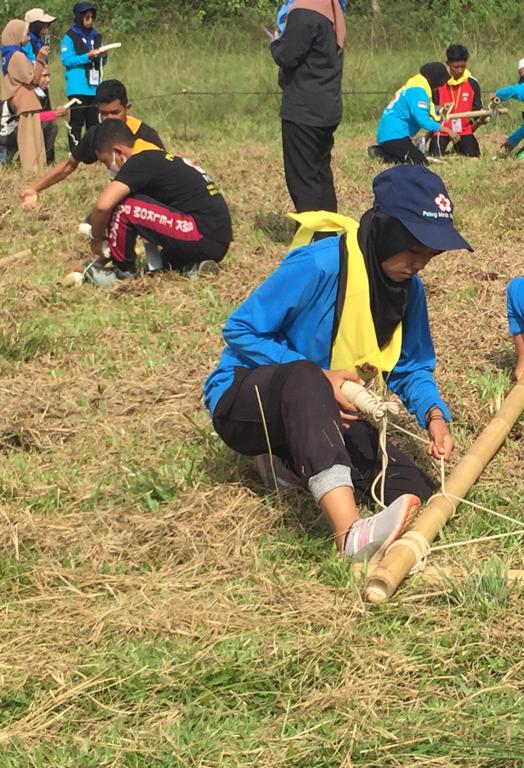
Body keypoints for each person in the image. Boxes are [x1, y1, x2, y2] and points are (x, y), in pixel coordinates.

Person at [203, 166, 470, 560]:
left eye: (430, 254)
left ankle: (292, 457)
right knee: (305, 377)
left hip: (329, 411)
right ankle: (349, 534)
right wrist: (320, 377)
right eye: (414, 249)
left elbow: (411, 366)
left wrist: (433, 415)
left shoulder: (409, 290)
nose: (420, 264)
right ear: (386, 229)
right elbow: (241, 328)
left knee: (415, 490)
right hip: (248, 400)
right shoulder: (318, 264)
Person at [85, 119, 232, 277]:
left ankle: (122, 272)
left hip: (200, 232)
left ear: (118, 152)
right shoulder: (155, 159)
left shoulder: (138, 162)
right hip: (214, 239)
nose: (107, 167)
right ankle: (193, 267)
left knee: (124, 206)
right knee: (164, 263)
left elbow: (103, 206)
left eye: (105, 161)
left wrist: (97, 239)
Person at [20, 79, 163, 210]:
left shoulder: (145, 135)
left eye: (115, 112)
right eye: (104, 113)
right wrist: (35, 189)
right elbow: (69, 164)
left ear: (127, 108)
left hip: (153, 200)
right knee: (92, 223)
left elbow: (165, 175)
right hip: (123, 199)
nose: (109, 119)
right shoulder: (97, 134)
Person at [271, 0, 344, 214]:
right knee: (320, 174)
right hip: (327, 105)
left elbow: (287, 54)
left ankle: (313, 235)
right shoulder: (331, 9)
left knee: (303, 179)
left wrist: (275, 42)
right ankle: (328, 233)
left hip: (304, 108)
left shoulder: (305, 10)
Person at [374, 63, 459, 165]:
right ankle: (383, 155)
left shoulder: (413, 87)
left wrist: (439, 110)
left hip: (390, 135)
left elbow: (425, 109)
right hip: (394, 136)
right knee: (419, 162)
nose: (438, 89)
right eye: (439, 85)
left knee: (413, 157)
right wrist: (447, 130)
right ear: (435, 80)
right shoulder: (419, 92)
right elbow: (422, 119)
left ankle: (385, 152)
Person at [61, 2, 106, 154]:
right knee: (77, 120)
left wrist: (103, 57)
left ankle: (93, 151)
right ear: (79, 18)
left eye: (92, 17)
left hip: (94, 86)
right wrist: (87, 56)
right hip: (77, 85)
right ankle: (75, 151)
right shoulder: (69, 37)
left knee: (93, 121)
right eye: (86, 17)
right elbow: (67, 60)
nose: (90, 20)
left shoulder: (96, 36)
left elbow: (102, 64)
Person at [2, 19, 45, 172]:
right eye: (25, 33)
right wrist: (40, 59)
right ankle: (33, 168)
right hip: (26, 102)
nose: (27, 37)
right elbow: (32, 78)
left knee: (31, 136)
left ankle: (35, 167)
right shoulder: (17, 56)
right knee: (31, 138)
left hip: (22, 101)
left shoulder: (6, 55)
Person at [428, 44, 484, 158]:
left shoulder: (472, 83)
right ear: (448, 64)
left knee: (473, 155)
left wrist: (482, 118)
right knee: (435, 156)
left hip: (464, 130)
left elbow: (477, 110)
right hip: (442, 129)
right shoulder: (438, 84)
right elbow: (433, 109)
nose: (460, 70)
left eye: (463, 66)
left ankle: (458, 146)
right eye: (456, 67)